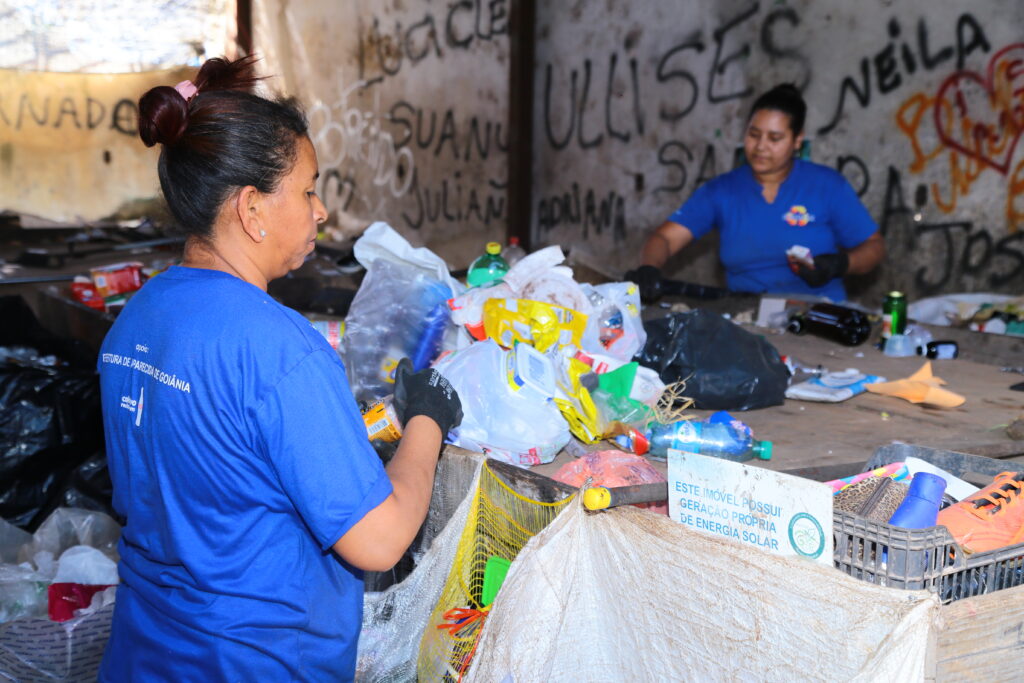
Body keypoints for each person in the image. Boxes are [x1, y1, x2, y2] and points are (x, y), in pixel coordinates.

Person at [97, 55, 462, 681]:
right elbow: (378, 539)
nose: (320, 211)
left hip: (142, 655)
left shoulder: (137, 317)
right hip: (252, 663)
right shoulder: (280, 349)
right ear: (251, 209)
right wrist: (428, 417)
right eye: (308, 189)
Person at [629, 84, 884, 303]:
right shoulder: (722, 191)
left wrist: (841, 264)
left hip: (819, 313)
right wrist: (649, 268)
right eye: (753, 135)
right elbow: (665, 238)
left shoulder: (827, 186)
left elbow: (873, 247)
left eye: (774, 138)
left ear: (797, 140)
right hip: (746, 313)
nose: (761, 146)